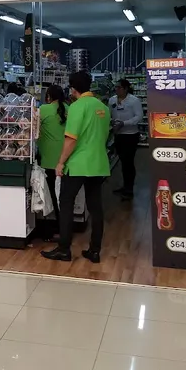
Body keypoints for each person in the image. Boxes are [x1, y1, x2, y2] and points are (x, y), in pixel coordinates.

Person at [42, 71, 110, 263]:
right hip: (98, 163)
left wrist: (60, 162)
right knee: (95, 207)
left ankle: (64, 249)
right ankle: (95, 250)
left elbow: (71, 138)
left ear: (73, 89)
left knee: (66, 203)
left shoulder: (77, 107)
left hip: (78, 164)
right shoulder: (103, 107)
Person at [36, 85, 68, 239]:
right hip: (67, 158)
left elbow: (34, 130)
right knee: (65, 197)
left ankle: (58, 229)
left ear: (48, 96)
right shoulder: (69, 109)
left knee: (52, 197)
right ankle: (65, 228)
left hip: (49, 159)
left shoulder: (43, 109)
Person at [109, 79, 144, 201]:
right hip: (118, 135)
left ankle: (129, 189)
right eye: (115, 87)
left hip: (130, 135)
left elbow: (139, 117)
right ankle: (125, 186)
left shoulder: (134, 101)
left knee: (128, 163)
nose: (116, 89)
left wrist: (124, 123)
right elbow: (109, 114)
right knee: (123, 162)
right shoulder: (112, 100)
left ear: (125, 89)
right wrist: (112, 122)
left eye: (119, 87)